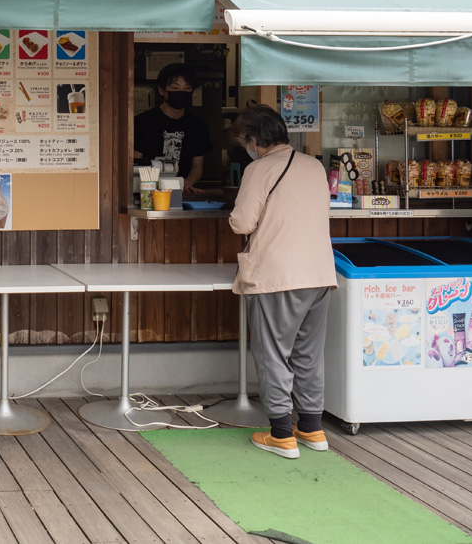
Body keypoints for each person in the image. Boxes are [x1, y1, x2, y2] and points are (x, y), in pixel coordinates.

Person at [228, 106, 336, 459]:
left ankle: (280, 434)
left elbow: (242, 223)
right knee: (308, 354)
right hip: (319, 273)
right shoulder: (314, 166)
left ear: (254, 140)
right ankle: (311, 428)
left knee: (273, 353)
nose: (247, 147)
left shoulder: (259, 169)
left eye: (246, 142)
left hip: (277, 275)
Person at [133, 62, 212, 193]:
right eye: (175, 88)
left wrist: (185, 184)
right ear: (161, 90)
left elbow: (197, 166)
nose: (181, 92)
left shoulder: (198, 125)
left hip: (181, 193)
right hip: (147, 192)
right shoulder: (143, 122)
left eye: (187, 89)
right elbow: (135, 162)